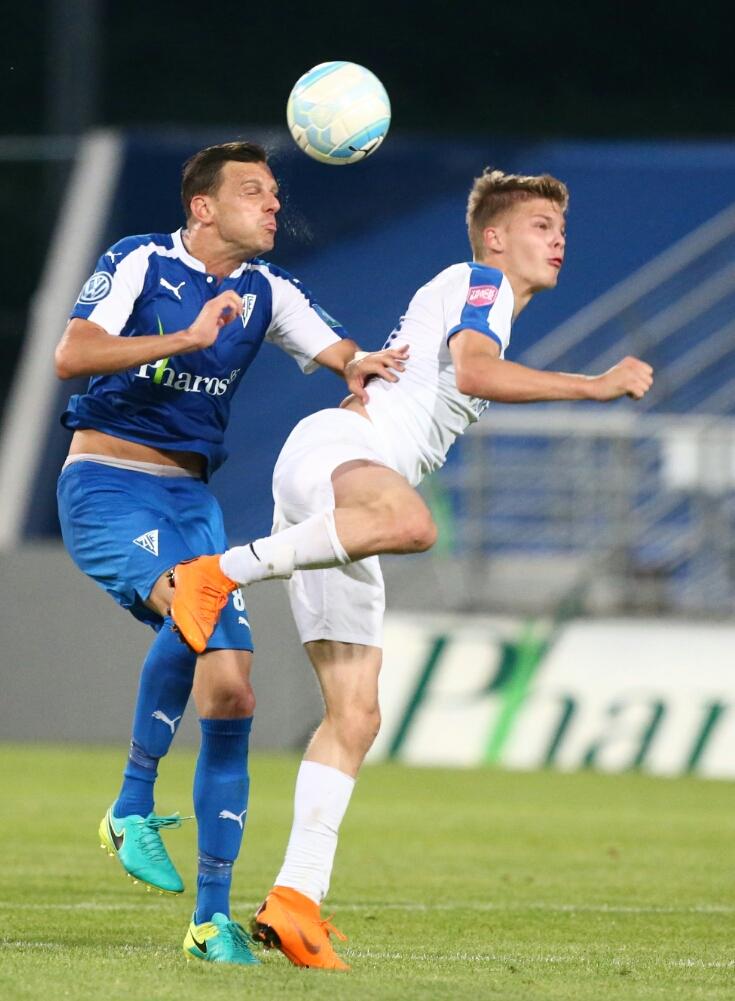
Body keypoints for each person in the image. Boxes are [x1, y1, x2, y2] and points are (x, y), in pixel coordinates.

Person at [169, 168, 654, 970]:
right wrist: (592, 386)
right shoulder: (479, 282)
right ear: (494, 236)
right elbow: (475, 372)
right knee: (411, 522)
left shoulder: (486, 302)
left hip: (338, 498)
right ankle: (219, 570)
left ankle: (295, 898)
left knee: (356, 713)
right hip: (342, 454)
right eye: (540, 225)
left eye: (560, 228)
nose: (557, 240)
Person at [54, 140, 406, 966]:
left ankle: (210, 921)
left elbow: (340, 354)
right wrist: (182, 338)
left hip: (191, 501)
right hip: (108, 484)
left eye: (275, 192)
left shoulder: (266, 289)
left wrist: (366, 367)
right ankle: (131, 803)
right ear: (203, 207)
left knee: (234, 689)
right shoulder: (141, 260)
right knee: (193, 598)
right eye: (254, 191)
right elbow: (72, 353)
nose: (273, 204)